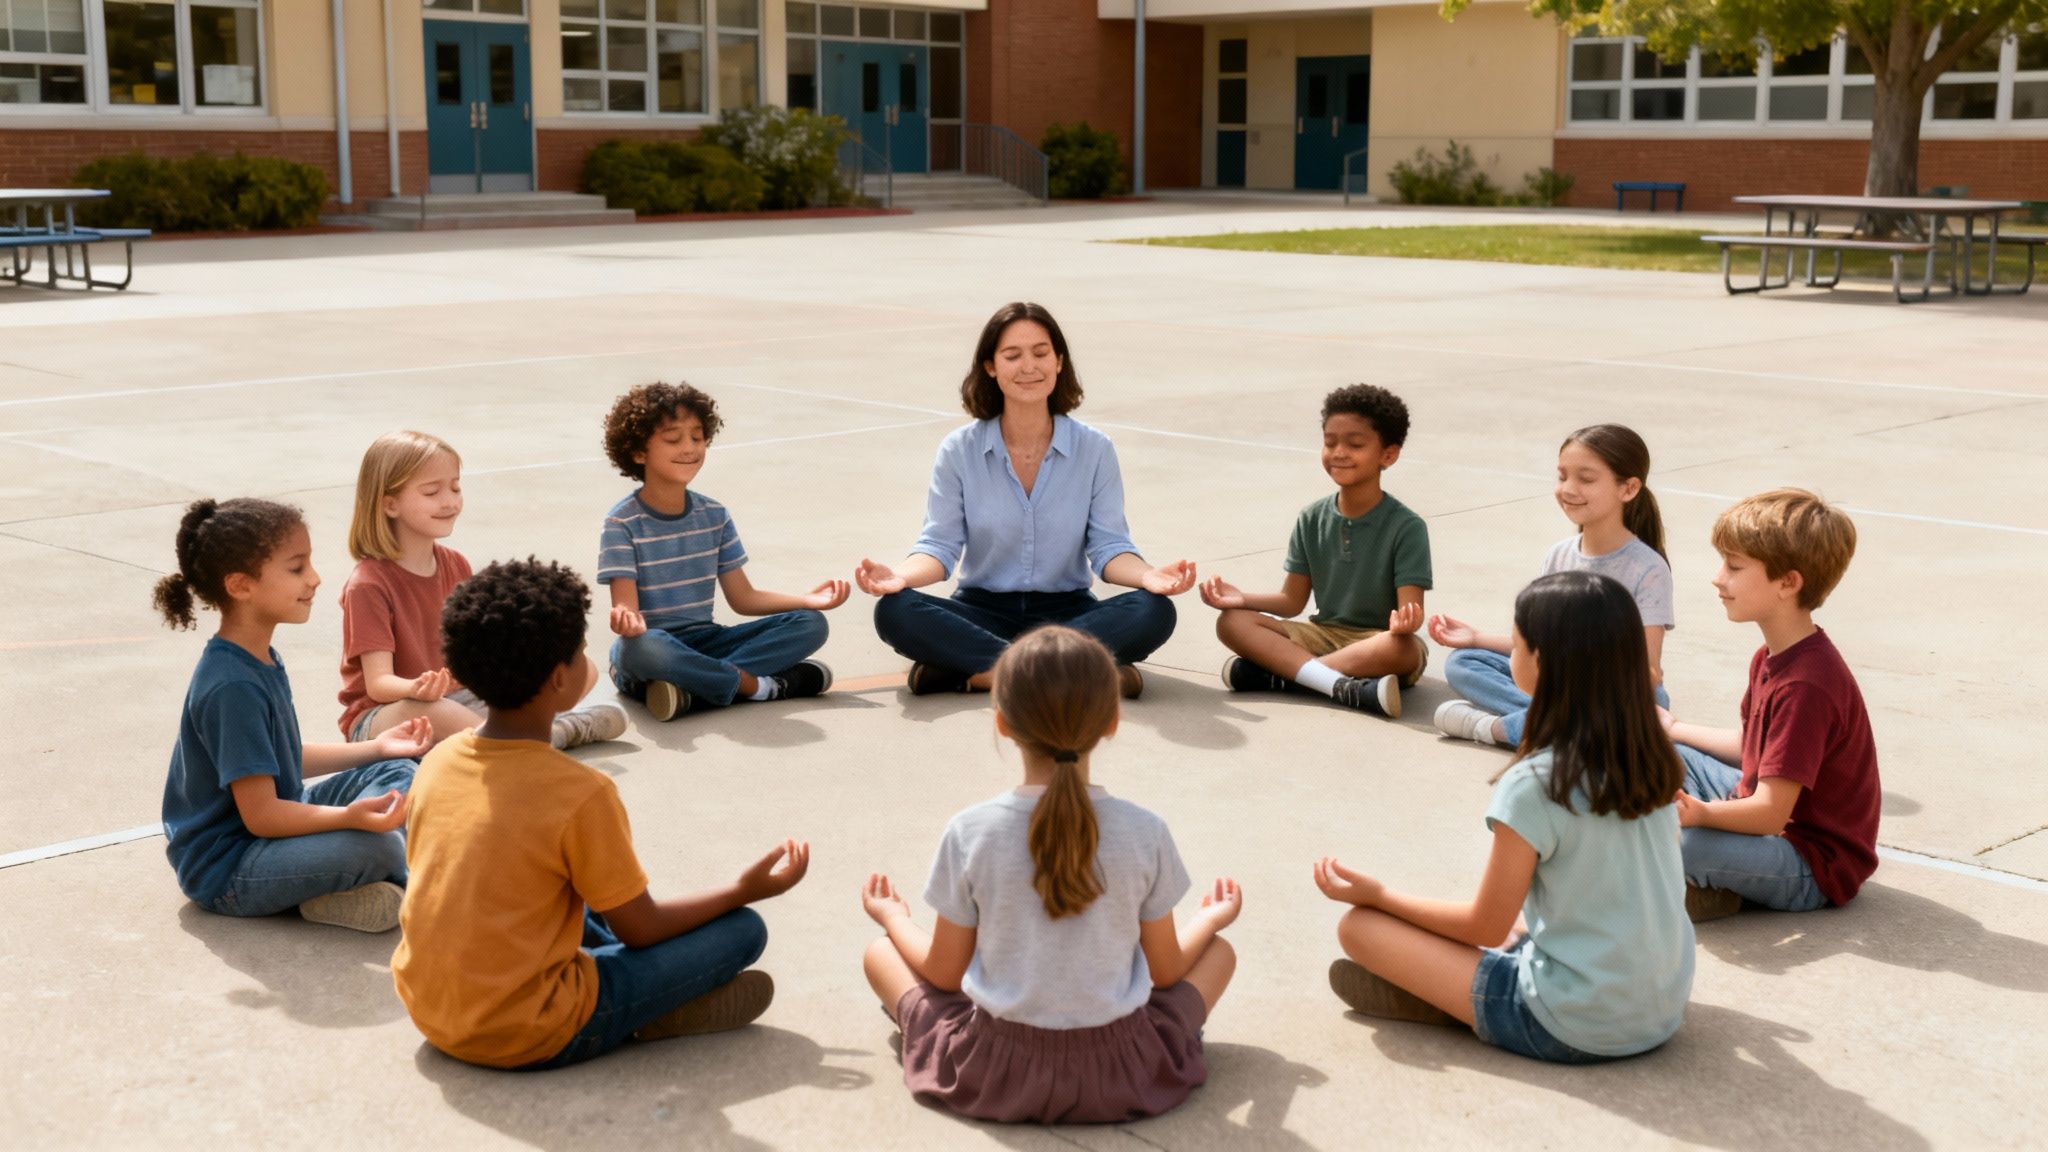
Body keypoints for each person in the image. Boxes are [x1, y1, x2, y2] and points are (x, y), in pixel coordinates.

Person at [394, 558, 809, 1069]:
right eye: (581, 648)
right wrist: (743, 890)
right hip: (529, 1030)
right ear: (558, 678)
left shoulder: (437, 761)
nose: (587, 656)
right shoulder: (579, 792)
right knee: (744, 930)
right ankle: (646, 1013)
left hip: (431, 1009)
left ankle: (646, 998)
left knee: (563, 888)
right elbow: (643, 929)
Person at [858, 627, 1239, 1123]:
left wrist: (892, 918)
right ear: (1112, 722)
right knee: (1220, 953)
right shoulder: (1145, 831)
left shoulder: (972, 831)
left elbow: (943, 973)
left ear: (1002, 723)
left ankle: (914, 1012)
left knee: (880, 954)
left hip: (996, 1069)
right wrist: (1209, 919)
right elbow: (1166, 972)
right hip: (1122, 1070)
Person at [1316, 571, 1694, 1064]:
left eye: (1516, 645)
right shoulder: (1653, 756)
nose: (1510, 655)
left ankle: (1454, 1005)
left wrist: (1379, 895)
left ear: (1543, 663)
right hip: (1662, 1007)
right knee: (1526, 919)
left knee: (1359, 927)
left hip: (1572, 1023)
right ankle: (1450, 992)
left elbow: (1485, 927)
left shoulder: (1538, 782)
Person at [858, 302, 1196, 700]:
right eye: (1012, 355)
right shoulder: (959, 449)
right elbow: (939, 546)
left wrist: (1148, 576)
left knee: (1153, 611)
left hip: (1069, 616)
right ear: (990, 366)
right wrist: (899, 578)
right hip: (980, 612)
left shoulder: (1095, 449)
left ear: (1058, 362)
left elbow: (1110, 548)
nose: (1028, 366)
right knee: (894, 611)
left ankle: (983, 673)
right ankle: (1082, 674)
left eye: (1040, 353)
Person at [155, 497, 428, 934]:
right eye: (297, 568)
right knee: (378, 848)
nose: (315, 579)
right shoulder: (232, 686)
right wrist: (348, 818)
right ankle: (381, 871)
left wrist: (376, 747)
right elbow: (261, 815)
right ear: (241, 585)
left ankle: (344, 886)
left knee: (397, 767)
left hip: (280, 825)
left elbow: (282, 759)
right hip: (231, 867)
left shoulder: (257, 657)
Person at [1661, 489, 1878, 922]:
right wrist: (1672, 729)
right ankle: (1699, 884)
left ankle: (1708, 886)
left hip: (1811, 863)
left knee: (1682, 842)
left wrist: (1701, 814)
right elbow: (1753, 749)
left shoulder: (1807, 685)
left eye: (1735, 566)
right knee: (1659, 754)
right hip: (1768, 817)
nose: (1718, 578)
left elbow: (1770, 812)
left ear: (1788, 582)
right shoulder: (1773, 655)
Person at [337, 430, 624, 750]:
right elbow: (378, 684)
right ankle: (542, 737)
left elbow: (477, 650)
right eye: (432, 492)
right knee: (436, 710)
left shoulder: (455, 564)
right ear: (390, 504)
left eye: (455, 488)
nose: (449, 501)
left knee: (582, 671)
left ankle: (517, 735)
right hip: (387, 716)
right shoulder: (368, 584)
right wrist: (417, 689)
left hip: (459, 700)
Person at [601, 382, 845, 721]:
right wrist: (626, 621)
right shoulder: (621, 523)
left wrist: (806, 600)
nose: (689, 448)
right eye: (673, 439)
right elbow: (627, 609)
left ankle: (692, 689)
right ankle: (756, 687)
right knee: (643, 649)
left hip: (708, 642)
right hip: (652, 645)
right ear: (638, 452)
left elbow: (743, 597)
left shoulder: (714, 516)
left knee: (811, 624)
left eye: (697, 438)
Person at [1431, 424, 1675, 745]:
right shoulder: (1558, 556)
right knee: (1464, 663)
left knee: (1649, 706)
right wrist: (1475, 637)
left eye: (1585, 479)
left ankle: (1498, 729)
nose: (1568, 489)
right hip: (1558, 684)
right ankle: (1565, 725)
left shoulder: (1648, 568)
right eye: (1562, 476)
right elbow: (1536, 647)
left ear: (1628, 489)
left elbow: (1649, 671)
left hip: (1612, 690)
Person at [1200, 384, 1429, 717]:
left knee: (1403, 648)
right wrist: (1242, 599)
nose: (1338, 452)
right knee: (1232, 622)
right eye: (1329, 441)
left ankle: (1288, 676)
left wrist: (1406, 623)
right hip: (1321, 633)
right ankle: (1340, 686)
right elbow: (1292, 602)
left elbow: (1410, 612)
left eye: (1355, 444)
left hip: (1376, 641)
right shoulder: (1311, 517)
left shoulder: (1407, 526)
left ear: (1388, 455)